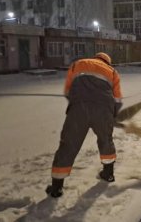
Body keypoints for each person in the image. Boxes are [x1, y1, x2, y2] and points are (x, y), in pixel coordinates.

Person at [45, 52, 123, 198]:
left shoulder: (78, 64)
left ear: (95, 58)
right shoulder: (112, 71)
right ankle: (108, 174)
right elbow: (117, 99)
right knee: (106, 140)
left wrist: (78, 105)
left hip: (79, 109)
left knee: (68, 144)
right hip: (103, 109)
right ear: (107, 62)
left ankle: (56, 187)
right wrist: (112, 115)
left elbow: (68, 91)